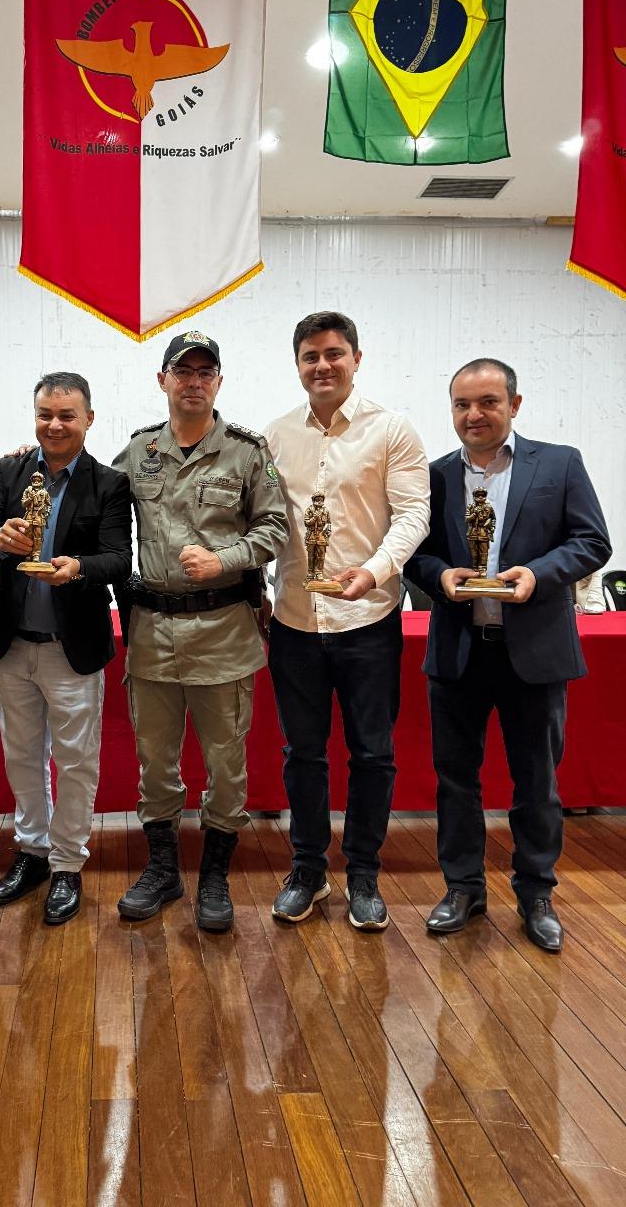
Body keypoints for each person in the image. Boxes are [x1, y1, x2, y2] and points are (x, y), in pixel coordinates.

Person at [405, 358, 610, 952]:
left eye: (489, 402)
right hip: (459, 651)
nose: (475, 415)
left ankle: (536, 894)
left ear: (514, 405)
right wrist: (440, 576)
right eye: (463, 405)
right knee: (455, 782)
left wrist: (539, 575)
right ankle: (463, 888)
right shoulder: (434, 475)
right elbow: (414, 553)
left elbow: (593, 540)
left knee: (537, 782)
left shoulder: (560, 463)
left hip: (535, 651)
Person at [114, 331, 288, 932]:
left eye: (204, 372)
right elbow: (104, 521)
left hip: (223, 634)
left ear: (218, 382)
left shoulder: (245, 452)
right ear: (162, 380)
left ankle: (214, 878)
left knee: (226, 765)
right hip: (152, 634)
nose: (193, 381)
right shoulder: (137, 453)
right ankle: (163, 870)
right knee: (155, 763)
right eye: (181, 371)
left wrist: (227, 558)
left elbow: (276, 530)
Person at [265, 311, 430, 931]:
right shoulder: (275, 436)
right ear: (298, 365)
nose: (323, 365)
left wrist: (378, 570)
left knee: (373, 755)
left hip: (369, 619)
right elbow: (262, 522)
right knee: (302, 754)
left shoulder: (393, 429)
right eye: (310, 356)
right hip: (295, 622)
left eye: (334, 353)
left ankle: (363, 874)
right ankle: (308, 869)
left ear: (356, 359)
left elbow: (414, 514)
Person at [0, 373, 132, 924]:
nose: (54, 425)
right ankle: (31, 851)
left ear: (88, 419)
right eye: (44, 414)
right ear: (34, 415)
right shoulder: (9, 470)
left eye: (66, 415)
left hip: (71, 648)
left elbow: (117, 559)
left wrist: (79, 568)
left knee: (76, 761)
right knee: (21, 756)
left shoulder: (109, 483)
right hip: (15, 644)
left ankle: (66, 865)